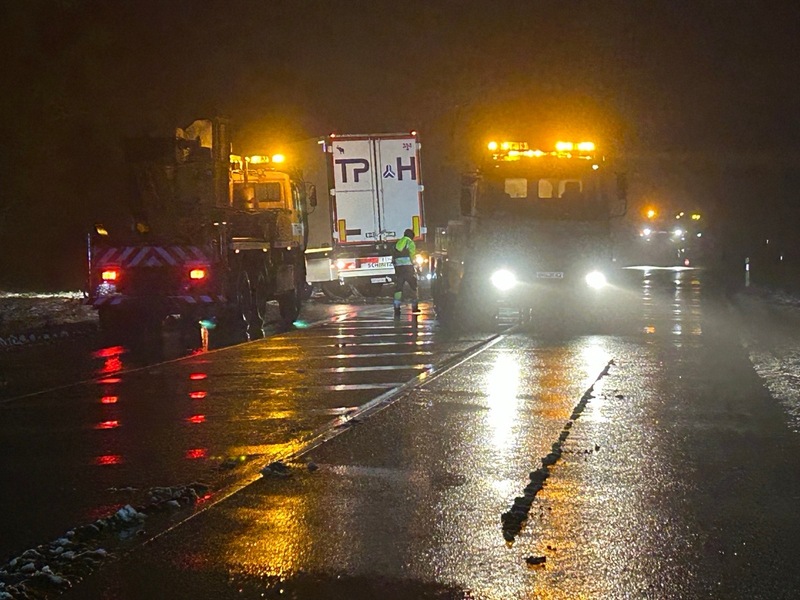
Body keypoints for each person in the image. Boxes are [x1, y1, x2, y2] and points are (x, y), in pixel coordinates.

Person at [393, 228, 419, 316]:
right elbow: (412, 255)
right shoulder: (410, 242)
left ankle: (396, 307)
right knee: (413, 286)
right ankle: (414, 306)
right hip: (408, 268)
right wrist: (415, 266)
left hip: (399, 268)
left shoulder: (399, 242)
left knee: (399, 287)